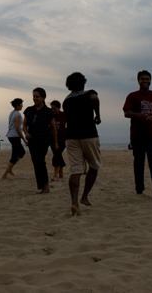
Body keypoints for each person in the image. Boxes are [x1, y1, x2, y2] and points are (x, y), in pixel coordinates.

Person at [123, 70, 152, 202]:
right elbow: (126, 113)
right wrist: (138, 115)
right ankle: (139, 189)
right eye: (142, 79)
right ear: (138, 81)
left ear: (151, 80)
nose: (145, 81)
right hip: (137, 136)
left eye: (147, 79)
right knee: (139, 163)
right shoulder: (132, 96)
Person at [63, 72, 102, 216]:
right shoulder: (88, 93)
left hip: (71, 137)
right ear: (83, 83)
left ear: (68, 85)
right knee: (94, 165)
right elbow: (95, 98)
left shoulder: (66, 100)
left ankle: (74, 202)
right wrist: (97, 115)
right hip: (89, 135)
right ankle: (84, 196)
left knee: (75, 170)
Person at [23, 88, 58, 194]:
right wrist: (26, 133)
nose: (35, 98)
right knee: (35, 162)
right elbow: (24, 124)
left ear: (43, 97)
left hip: (44, 140)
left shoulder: (48, 112)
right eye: (34, 96)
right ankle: (42, 186)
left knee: (40, 161)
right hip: (32, 140)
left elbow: (53, 128)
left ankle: (46, 185)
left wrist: (55, 142)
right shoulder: (29, 110)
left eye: (37, 96)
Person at [1, 98, 27, 179]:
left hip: (11, 136)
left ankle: (9, 170)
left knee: (15, 154)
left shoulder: (12, 113)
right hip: (14, 136)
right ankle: (6, 172)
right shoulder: (17, 114)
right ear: (17, 105)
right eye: (21, 104)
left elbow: (16, 126)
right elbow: (17, 128)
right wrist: (24, 139)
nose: (22, 105)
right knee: (21, 153)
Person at [50, 100, 67, 181]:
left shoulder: (64, 115)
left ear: (59, 108)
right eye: (51, 109)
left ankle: (56, 175)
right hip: (52, 139)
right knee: (58, 155)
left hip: (63, 139)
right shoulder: (50, 116)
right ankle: (61, 174)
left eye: (54, 108)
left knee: (56, 155)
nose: (53, 110)